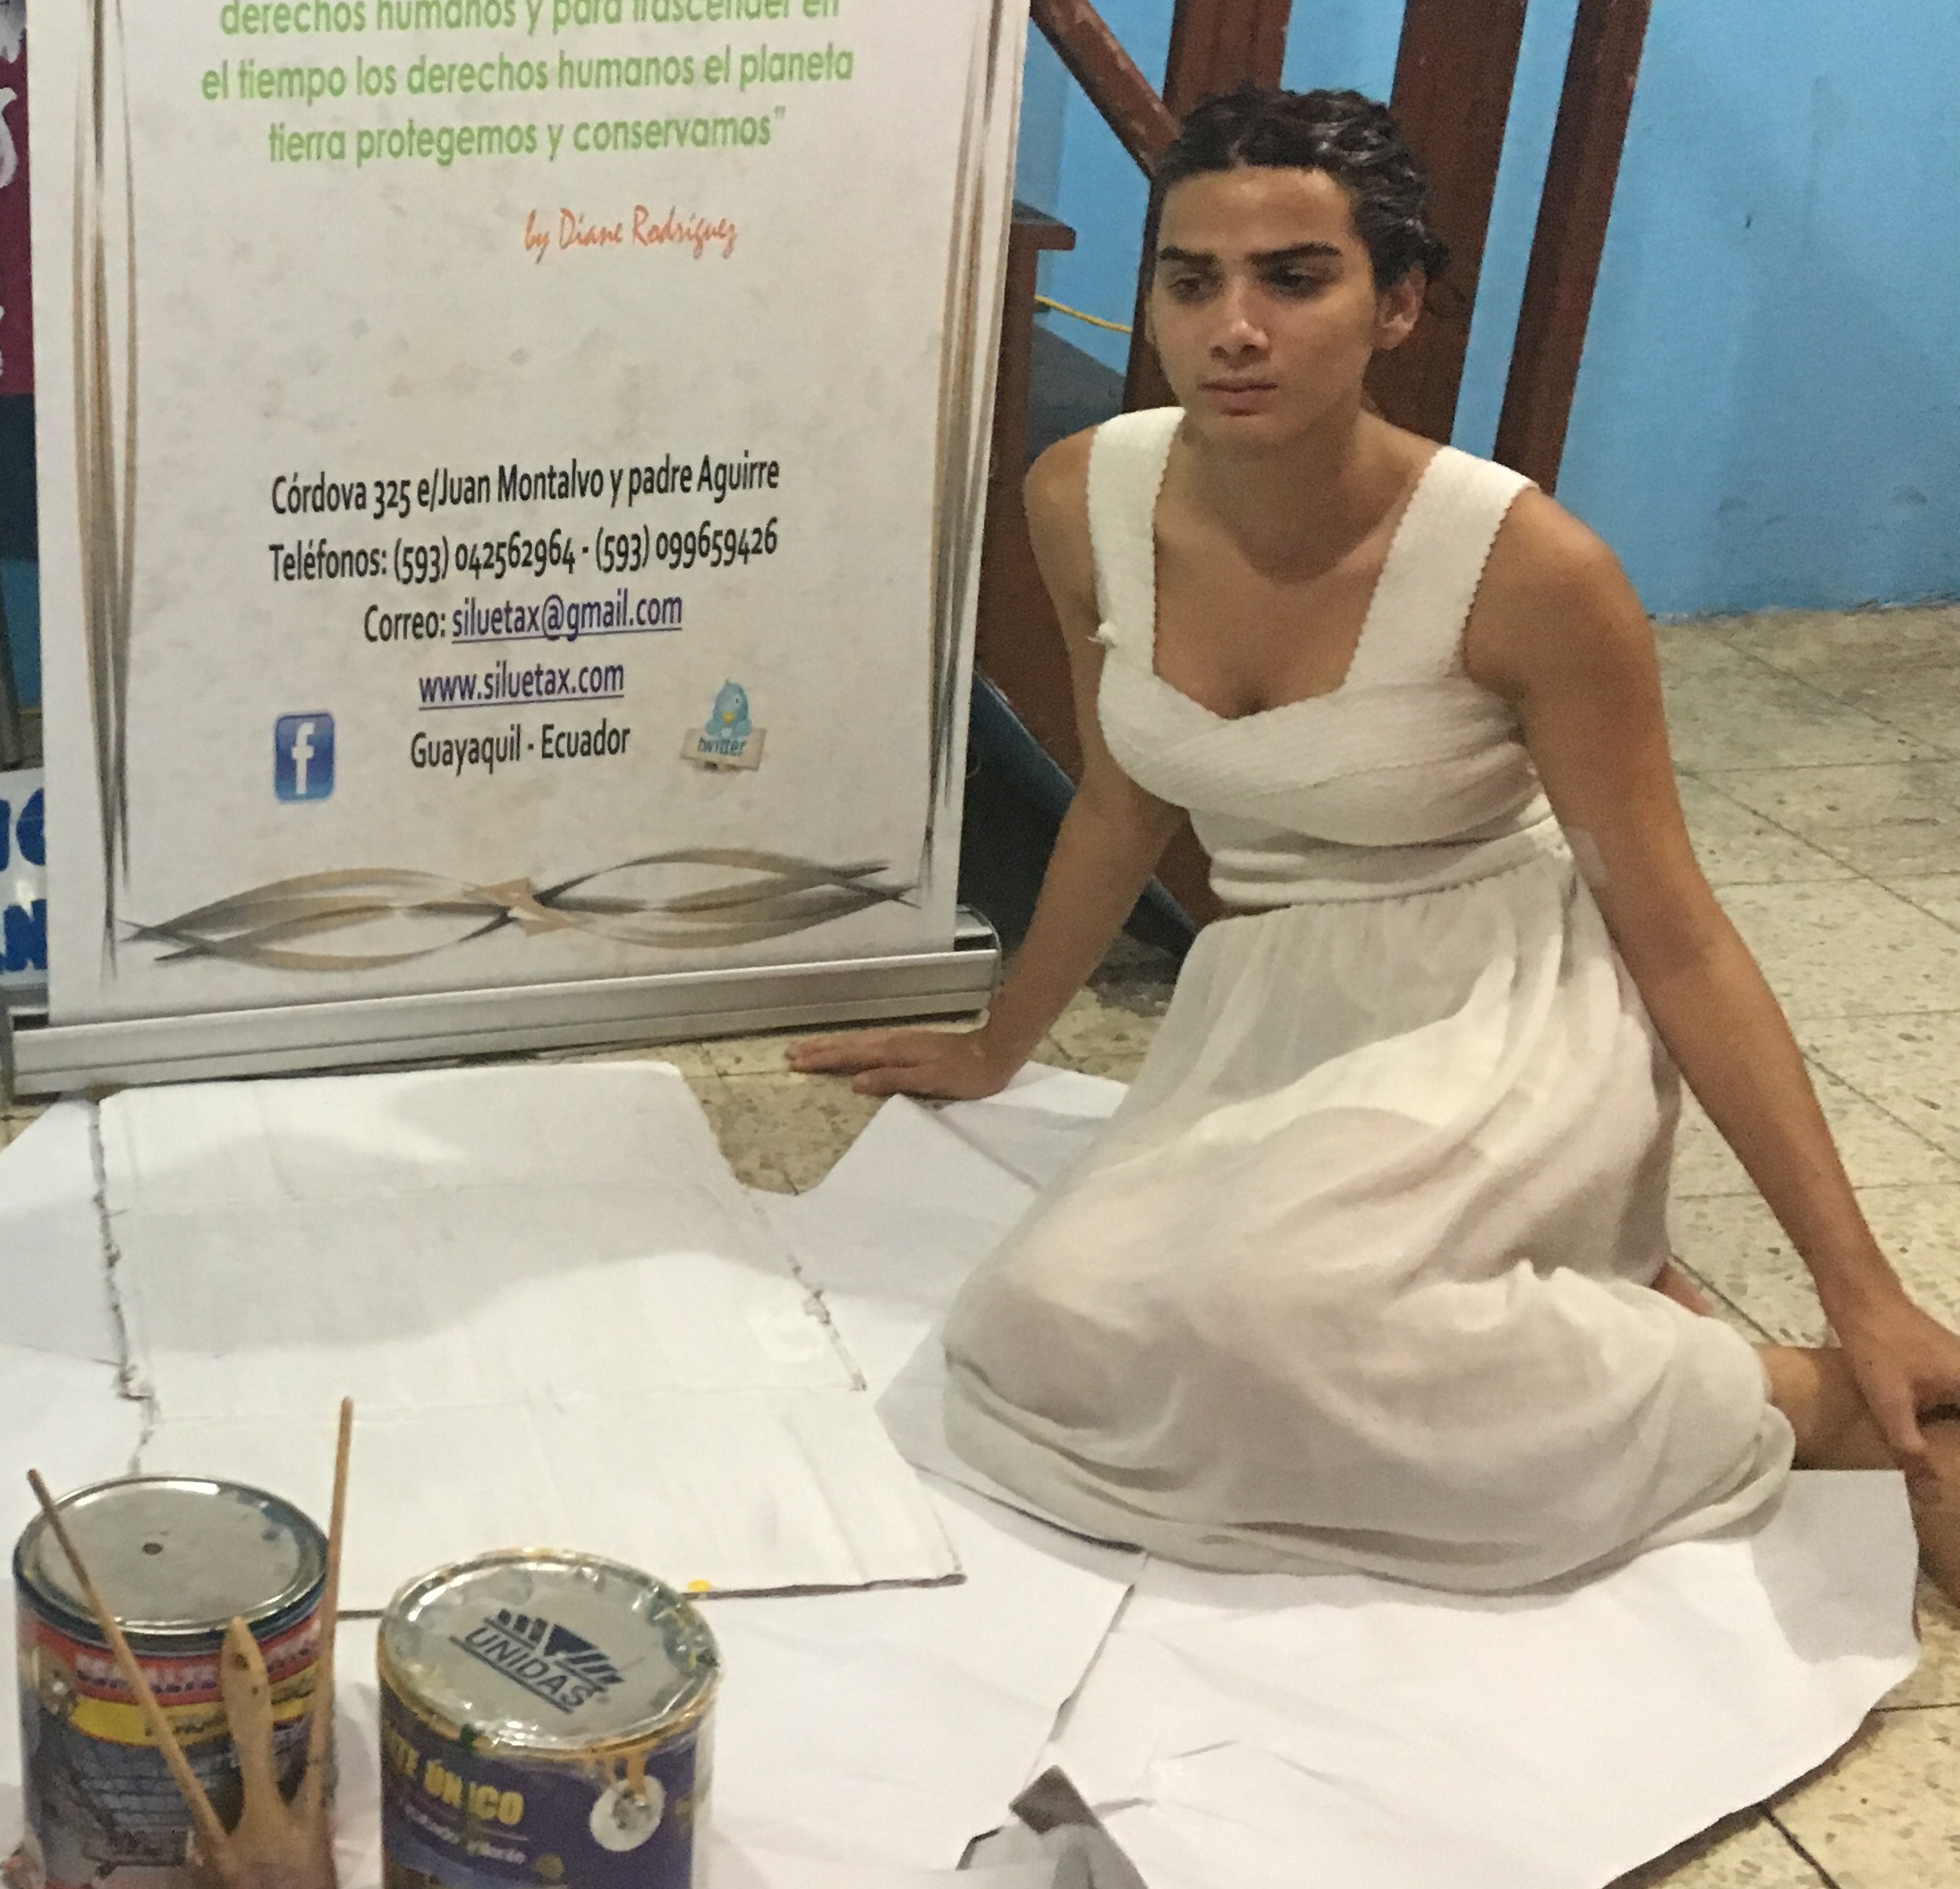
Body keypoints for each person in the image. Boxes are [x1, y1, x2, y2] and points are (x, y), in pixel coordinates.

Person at [793, 87, 1960, 1600]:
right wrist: (995, 1046)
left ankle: (1793, 1397)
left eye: (1294, 278)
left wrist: (1861, 1288)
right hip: (1274, 987)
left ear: (1396, 304)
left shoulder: (1527, 569)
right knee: (1045, 1327)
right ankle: (1564, 1306)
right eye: (1191, 279)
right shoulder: (1083, 496)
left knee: (1275, 1316)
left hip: (1502, 986)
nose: (1233, 328)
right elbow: (1123, 800)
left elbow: (1674, 931)